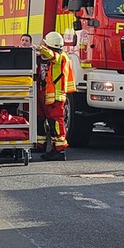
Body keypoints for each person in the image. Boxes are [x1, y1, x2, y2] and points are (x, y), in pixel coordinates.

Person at [36, 31, 76, 161]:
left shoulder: (60, 56)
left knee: (56, 123)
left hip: (55, 97)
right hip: (46, 94)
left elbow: (53, 55)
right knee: (46, 121)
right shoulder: (46, 57)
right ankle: (49, 147)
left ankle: (59, 150)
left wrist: (39, 48)